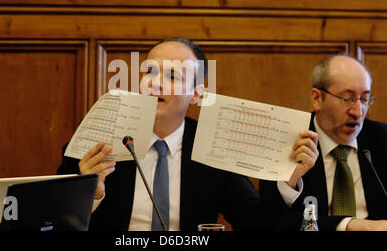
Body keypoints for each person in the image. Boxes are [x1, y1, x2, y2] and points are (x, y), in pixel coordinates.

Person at [57, 37, 318, 231]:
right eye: (149, 71)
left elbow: (255, 223)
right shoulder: (99, 139)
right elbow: (54, 219)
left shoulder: (211, 149)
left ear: (197, 94)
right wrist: (91, 194)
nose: (154, 83)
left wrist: (287, 180)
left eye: (172, 76)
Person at [260, 54, 387, 231]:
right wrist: (348, 225)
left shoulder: (382, 139)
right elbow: (272, 221)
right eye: (347, 98)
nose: (358, 112)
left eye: (364, 99)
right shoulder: (288, 141)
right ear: (317, 99)